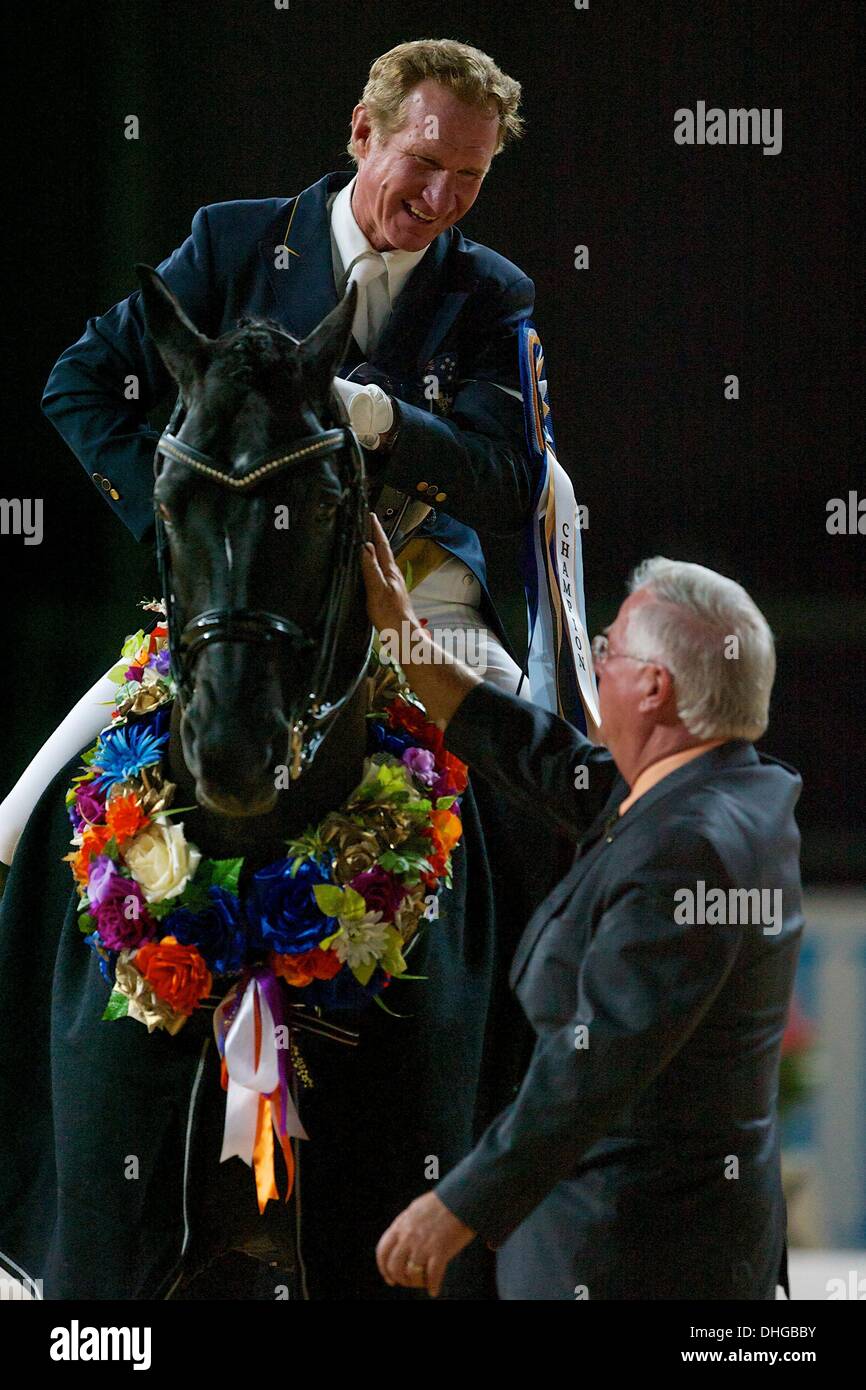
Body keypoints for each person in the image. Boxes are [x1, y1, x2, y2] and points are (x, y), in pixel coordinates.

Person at [3, 37, 571, 866]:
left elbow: (512, 482)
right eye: (423, 160)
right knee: (20, 826)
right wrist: (178, 526)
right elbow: (80, 384)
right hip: (243, 605)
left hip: (422, 612)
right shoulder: (233, 244)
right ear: (362, 134)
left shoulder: (491, 293)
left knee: (554, 826)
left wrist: (381, 423)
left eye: (471, 174)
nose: (443, 196)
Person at [361, 513, 805, 1301]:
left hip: (628, 1262)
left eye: (608, 652)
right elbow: (541, 755)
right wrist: (404, 640)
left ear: (655, 687)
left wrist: (455, 1206)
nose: (595, 668)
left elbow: (590, 1067)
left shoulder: (688, 848)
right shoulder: (736, 792)